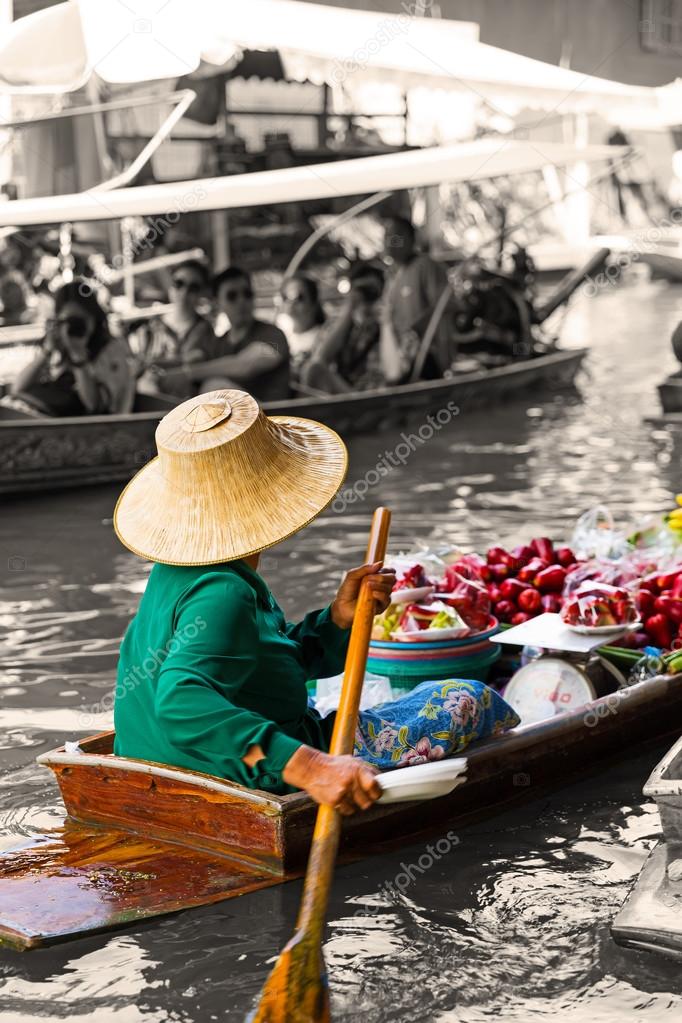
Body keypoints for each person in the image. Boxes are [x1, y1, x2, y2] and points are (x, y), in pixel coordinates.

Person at [113, 388, 518, 810]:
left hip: (156, 759)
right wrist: (310, 766)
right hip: (240, 769)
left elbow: (263, 663)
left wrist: (336, 620)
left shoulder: (179, 569)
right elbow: (180, 702)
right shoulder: (225, 592)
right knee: (466, 698)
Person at [4, 279, 133, 417]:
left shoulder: (112, 349)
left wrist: (78, 356)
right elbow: (17, 389)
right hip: (21, 413)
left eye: (80, 320)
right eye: (69, 321)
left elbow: (93, 405)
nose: (75, 328)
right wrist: (47, 350)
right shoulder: (58, 348)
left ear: (95, 317)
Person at [162, 267, 291, 402]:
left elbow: (245, 365)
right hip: (233, 419)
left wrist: (189, 373)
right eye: (232, 296)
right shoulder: (216, 344)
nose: (242, 301)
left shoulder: (274, 336)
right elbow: (189, 360)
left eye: (247, 294)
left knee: (215, 387)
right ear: (217, 302)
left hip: (271, 419)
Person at [128, 259, 217, 400]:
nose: (184, 292)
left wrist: (151, 363)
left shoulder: (204, 329)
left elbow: (192, 360)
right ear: (171, 286)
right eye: (179, 284)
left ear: (202, 292)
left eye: (193, 287)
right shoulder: (149, 327)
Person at [381, 215, 452, 382]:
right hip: (399, 357)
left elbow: (444, 306)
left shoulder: (426, 266)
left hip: (426, 357)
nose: (390, 240)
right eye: (386, 235)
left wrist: (413, 332)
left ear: (411, 239)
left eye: (396, 235)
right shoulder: (392, 276)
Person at [304, 262, 385, 393]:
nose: (366, 294)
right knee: (313, 368)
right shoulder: (336, 325)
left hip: (371, 396)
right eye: (361, 289)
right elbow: (320, 359)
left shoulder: (385, 326)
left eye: (372, 290)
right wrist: (349, 310)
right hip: (340, 394)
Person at [278, 273, 327, 382]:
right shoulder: (279, 331)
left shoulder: (324, 336)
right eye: (286, 297)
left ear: (314, 303)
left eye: (299, 297)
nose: (292, 303)